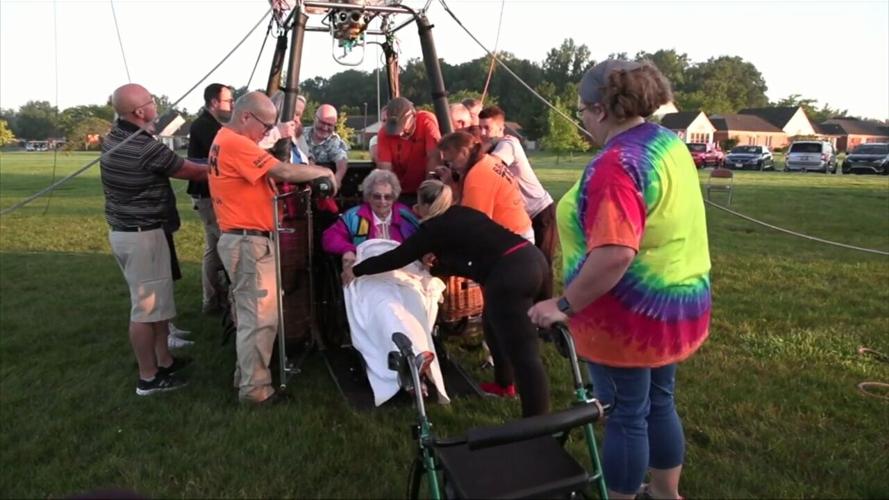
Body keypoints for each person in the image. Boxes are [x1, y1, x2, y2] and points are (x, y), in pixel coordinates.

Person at [528, 60, 711, 500]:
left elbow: (614, 254)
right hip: (675, 305)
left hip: (627, 318)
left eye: (581, 112)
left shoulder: (616, 164)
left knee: (626, 413)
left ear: (602, 109)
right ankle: (666, 494)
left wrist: (562, 304)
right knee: (659, 402)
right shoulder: (668, 143)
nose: (581, 121)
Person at [344, 180, 550, 416]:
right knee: (492, 324)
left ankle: (538, 422)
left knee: (523, 351)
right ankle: (504, 384)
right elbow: (467, 255)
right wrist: (437, 265)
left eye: (417, 204)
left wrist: (357, 270)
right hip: (533, 258)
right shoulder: (461, 213)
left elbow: (396, 258)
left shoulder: (434, 228)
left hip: (509, 274)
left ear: (424, 205)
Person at [208, 91, 337, 405]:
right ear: (246, 117)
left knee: (250, 314)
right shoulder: (237, 143)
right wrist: (325, 173)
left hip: (241, 238)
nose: (268, 132)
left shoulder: (225, 139)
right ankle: (255, 391)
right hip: (248, 241)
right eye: (265, 125)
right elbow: (284, 171)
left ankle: (246, 375)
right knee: (260, 318)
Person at [101, 83, 209, 396]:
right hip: (142, 236)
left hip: (129, 233)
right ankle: (148, 378)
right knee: (145, 310)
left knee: (157, 306)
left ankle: (164, 360)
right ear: (138, 112)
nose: (155, 105)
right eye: (150, 101)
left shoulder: (116, 136)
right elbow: (190, 170)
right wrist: (230, 163)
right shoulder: (143, 145)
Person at [479, 105, 557, 298]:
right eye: (479, 128)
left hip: (541, 211)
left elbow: (491, 167)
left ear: (500, 128)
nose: (482, 133)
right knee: (530, 264)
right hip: (525, 216)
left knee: (543, 264)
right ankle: (531, 309)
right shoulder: (494, 146)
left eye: (486, 128)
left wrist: (482, 147)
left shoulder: (508, 144)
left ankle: (548, 317)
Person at [436, 131, 533, 242]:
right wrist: (450, 183)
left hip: (511, 238)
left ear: (463, 153)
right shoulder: (486, 161)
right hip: (519, 230)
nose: (451, 167)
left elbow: (475, 225)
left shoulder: (477, 178)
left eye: (451, 161)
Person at [187, 83, 234, 315]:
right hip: (207, 196)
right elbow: (224, 153)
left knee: (214, 249)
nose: (231, 105)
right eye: (228, 101)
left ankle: (212, 301)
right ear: (214, 102)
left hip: (210, 194)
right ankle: (220, 300)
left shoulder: (212, 125)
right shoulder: (204, 126)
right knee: (226, 245)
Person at [322, 169, 420, 270]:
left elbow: (420, 239)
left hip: (403, 269)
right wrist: (348, 249)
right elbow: (330, 237)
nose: (382, 202)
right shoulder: (354, 216)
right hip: (367, 270)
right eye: (377, 196)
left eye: (388, 197)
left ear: (394, 197)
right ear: (368, 196)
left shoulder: (405, 216)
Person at [375, 97, 442, 202]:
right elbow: (385, 168)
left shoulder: (426, 120)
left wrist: (428, 189)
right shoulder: (384, 133)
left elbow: (434, 156)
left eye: (403, 127)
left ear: (412, 116)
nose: (400, 133)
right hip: (401, 191)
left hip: (425, 186)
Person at [297, 103, 350, 185]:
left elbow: (342, 160)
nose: (325, 128)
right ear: (315, 119)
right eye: (322, 123)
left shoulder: (335, 141)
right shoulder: (301, 134)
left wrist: (337, 179)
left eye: (329, 125)